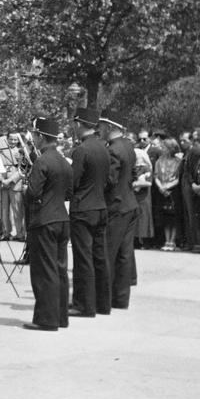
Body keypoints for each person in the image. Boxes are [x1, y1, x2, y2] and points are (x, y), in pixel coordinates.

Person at [23, 116, 72, 331]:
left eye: (34, 135)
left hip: (44, 220)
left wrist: (27, 183)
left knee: (44, 271)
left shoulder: (42, 161)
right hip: (61, 217)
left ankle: (46, 319)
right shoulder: (63, 160)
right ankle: (61, 316)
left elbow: (32, 193)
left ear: (41, 136)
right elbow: (69, 192)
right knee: (60, 269)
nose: (33, 138)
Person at [68, 107, 111, 317]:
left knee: (83, 257)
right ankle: (103, 303)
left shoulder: (81, 150)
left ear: (78, 124)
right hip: (100, 206)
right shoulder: (104, 148)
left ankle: (83, 304)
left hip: (83, 208)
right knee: (99, 256)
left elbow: (72, 182)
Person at [101, 109, 138, 311]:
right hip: (129, 203)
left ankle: (105, 298)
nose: (100, 129)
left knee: (109, 252)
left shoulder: (113, 150)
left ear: (109, 127)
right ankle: (121, 299)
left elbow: (109, 181)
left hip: (115, 206)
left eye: (101, 126)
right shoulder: (128, 146)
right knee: (124, 254)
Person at [153, 137, 181, 250]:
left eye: (164, 147)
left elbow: (178, 178)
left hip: (173, 192)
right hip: (162, 191)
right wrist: (161, 186)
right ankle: (166, 240)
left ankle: (172, 241)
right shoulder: (159, 160)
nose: (162, 149)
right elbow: (155, 175)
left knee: (173, 218)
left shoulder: (178, 161)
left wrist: (167, 187)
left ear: (170, 149)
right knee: (164, 218)